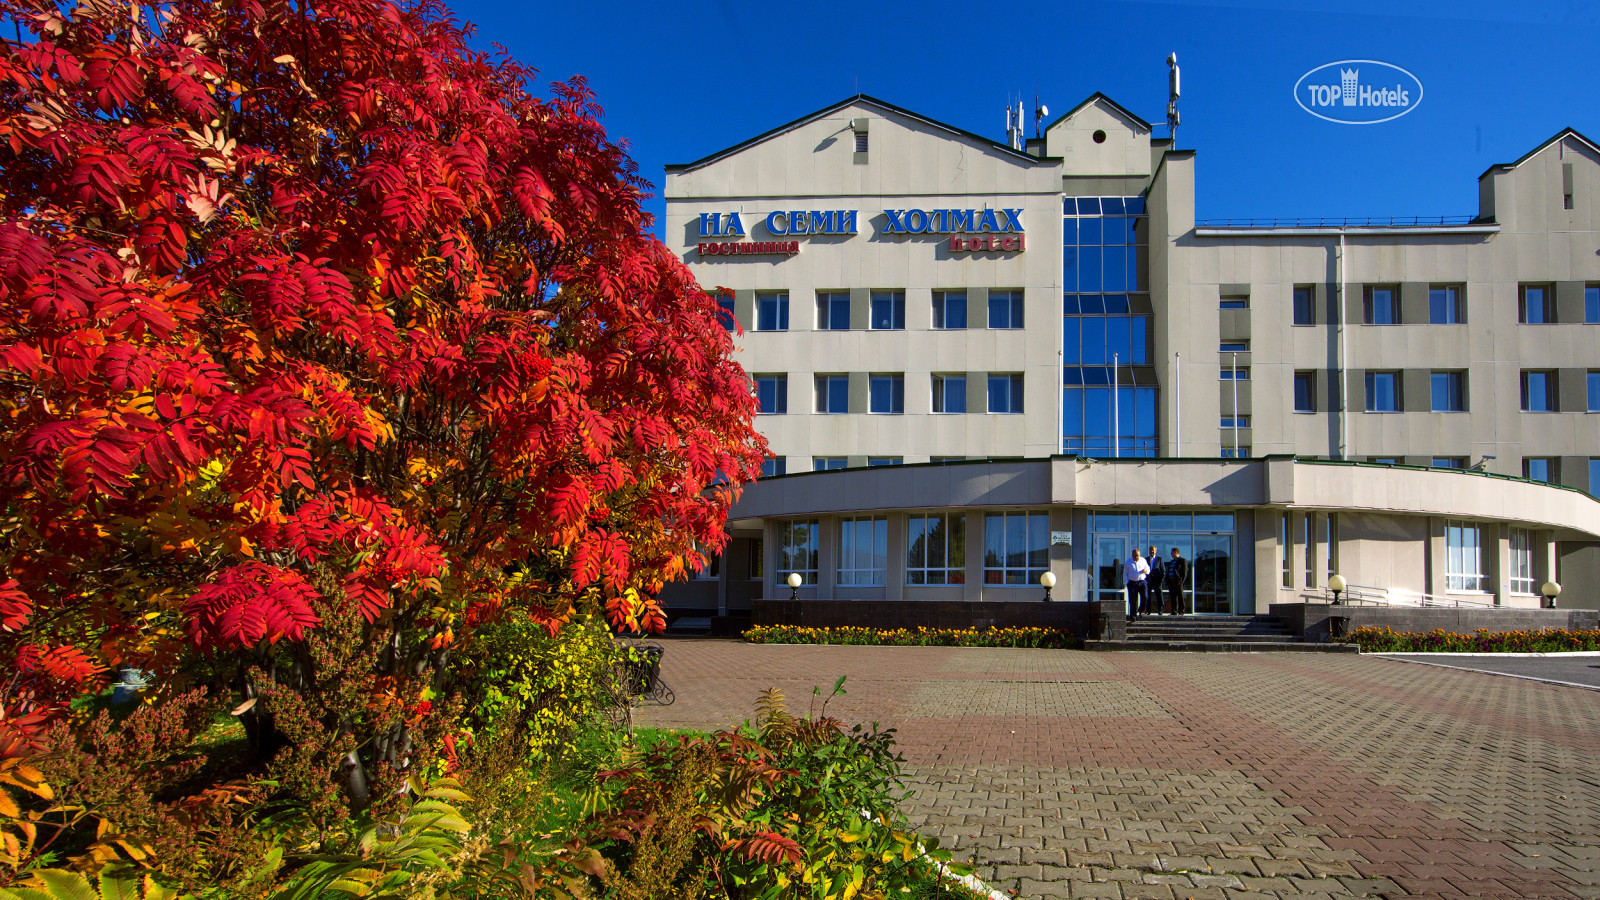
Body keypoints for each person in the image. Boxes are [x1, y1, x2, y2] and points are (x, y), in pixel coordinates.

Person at [1123, 548, 1149, 622]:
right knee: (1133, 600)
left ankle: (1141, 610)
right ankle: (1133, 616)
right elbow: (1125, 573)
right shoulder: (1128, 562)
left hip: (1142, 582)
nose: (1136, 557)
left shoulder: (1143, 560)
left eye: (1137, 556)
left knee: (1145, 597)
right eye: (1135, 556)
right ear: (1132, 555)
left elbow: (1148, 569)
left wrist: (1146, 570)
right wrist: (1127, 582)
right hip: (1132, 583)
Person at [1165, 547, 1189, 616]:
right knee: (1173, 597)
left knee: (1180, 597)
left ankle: (1181, 611)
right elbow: (1168, 571)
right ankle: (1173, 611)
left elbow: (1184, 573)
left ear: (1175, 552)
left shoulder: (1182, 561)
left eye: (1172, 552)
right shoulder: (1172, 562)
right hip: (1171, 582)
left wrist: (1181, 581)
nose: (1171, 554)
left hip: (1178, 582)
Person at [1146, 545, 1165, 616]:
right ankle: (1148, 611)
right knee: (1147, 596)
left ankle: (1160, 611)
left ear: (1156, 551)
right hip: (1149, 581)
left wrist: (1160, 580)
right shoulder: (1146, 559)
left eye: (1153, 550)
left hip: (1157, 581)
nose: (1152, 551)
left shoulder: (1159, 559)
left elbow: (1163, 571)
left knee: (1159, 596)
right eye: (1151, 550)